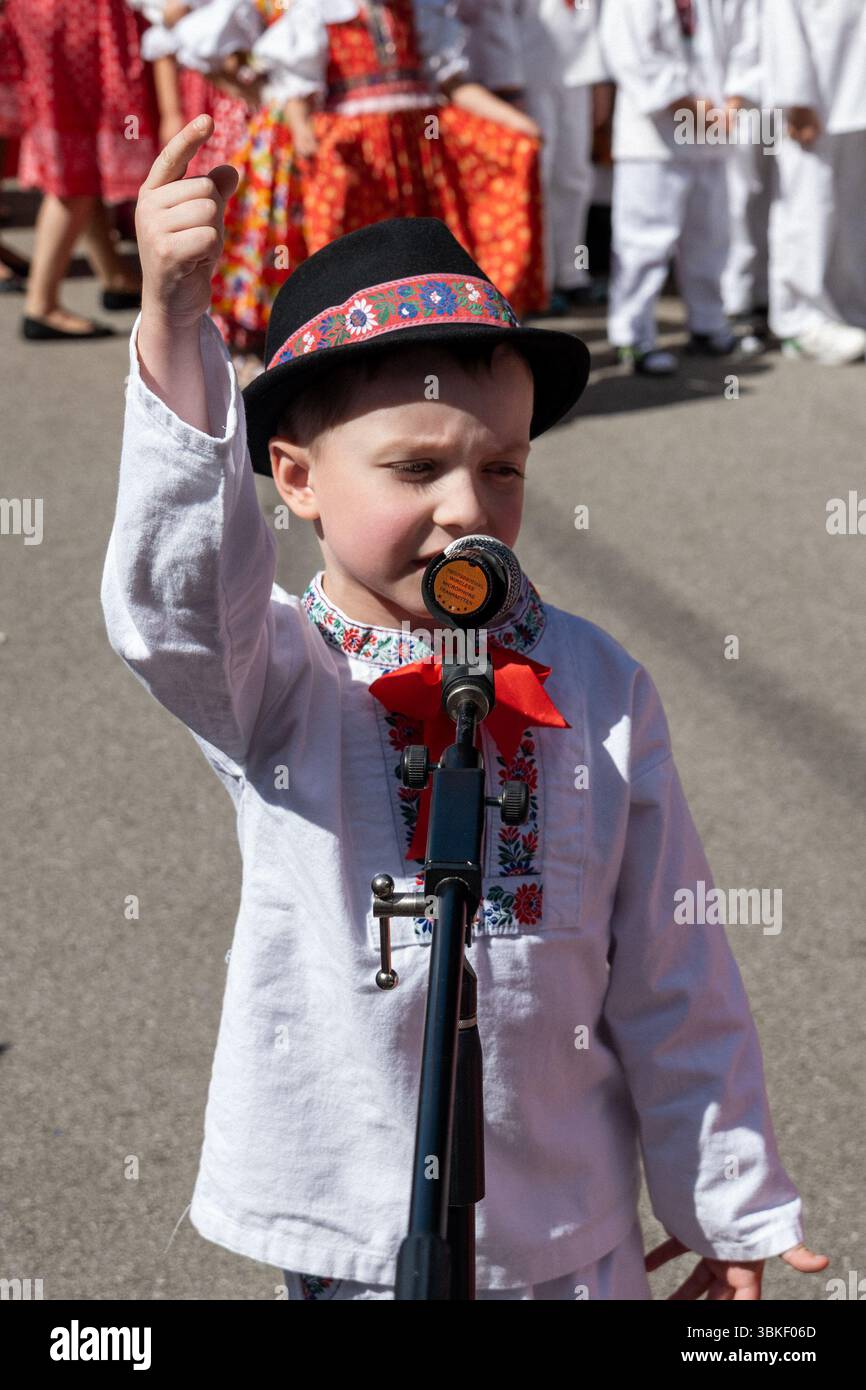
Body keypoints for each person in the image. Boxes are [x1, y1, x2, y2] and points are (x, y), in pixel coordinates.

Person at [100, 114, 830, 1299]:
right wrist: (176, 331)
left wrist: (726, 1204)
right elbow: (171, 608)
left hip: (571, 1229)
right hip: (356, 1231)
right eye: (413, 468)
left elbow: (671, 960)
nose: (466, 506)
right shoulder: (279, 678)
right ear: (295, 480)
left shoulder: (594, 682)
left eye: (500, 467)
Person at [599, 0, 761, 375]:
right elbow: (629, 49)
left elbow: (746, 42)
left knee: (711, 237)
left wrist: (734, 101)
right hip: (655, 137)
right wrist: (686, 104)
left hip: (713, 135)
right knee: (645, 241)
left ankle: (708, 323)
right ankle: (632, 334)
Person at [8, 0, 160, 339]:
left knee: (80, 150)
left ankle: (113, 276)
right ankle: (41, 303)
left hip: (54, 15)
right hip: (76, 18)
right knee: (74, 160)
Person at [763, 0, 866, 365]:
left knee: (852, 218)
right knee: (809, 211)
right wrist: (796, 97)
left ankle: (849, 311)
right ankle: (799, 321)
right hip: (813, 105)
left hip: (855, 98)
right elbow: (782, 22)